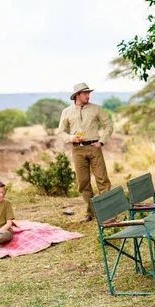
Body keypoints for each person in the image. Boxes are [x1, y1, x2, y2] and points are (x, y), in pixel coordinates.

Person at [56, 82, 113, 222]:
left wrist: (101, 141)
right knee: (83, 182)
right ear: (77, 95)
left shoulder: (96, 108)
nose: (88, 95)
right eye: (85, 93)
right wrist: (71, 138)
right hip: (78, 150)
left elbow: (108, 125)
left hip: (94, 147)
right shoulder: (67, 111)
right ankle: (90, 212)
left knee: (102, 181)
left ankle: (108, 213)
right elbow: (60, 132)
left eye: (89, 93)